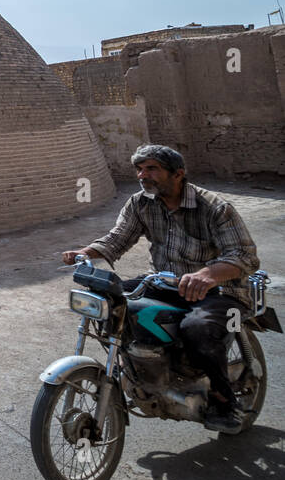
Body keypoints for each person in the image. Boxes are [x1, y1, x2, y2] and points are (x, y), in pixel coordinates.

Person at [61, 144, 260, 433]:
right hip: (164, 282)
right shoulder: (141, 203)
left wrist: (207, 274)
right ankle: (139, 365)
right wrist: (86, 252)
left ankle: (223, 399)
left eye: (151, 168)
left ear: (178, 174)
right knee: (107, 298)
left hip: (221, 289)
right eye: (140, 169)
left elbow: (245, 257)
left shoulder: (215, 207)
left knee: (197, 328)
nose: (143, 175)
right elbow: (118, 237)